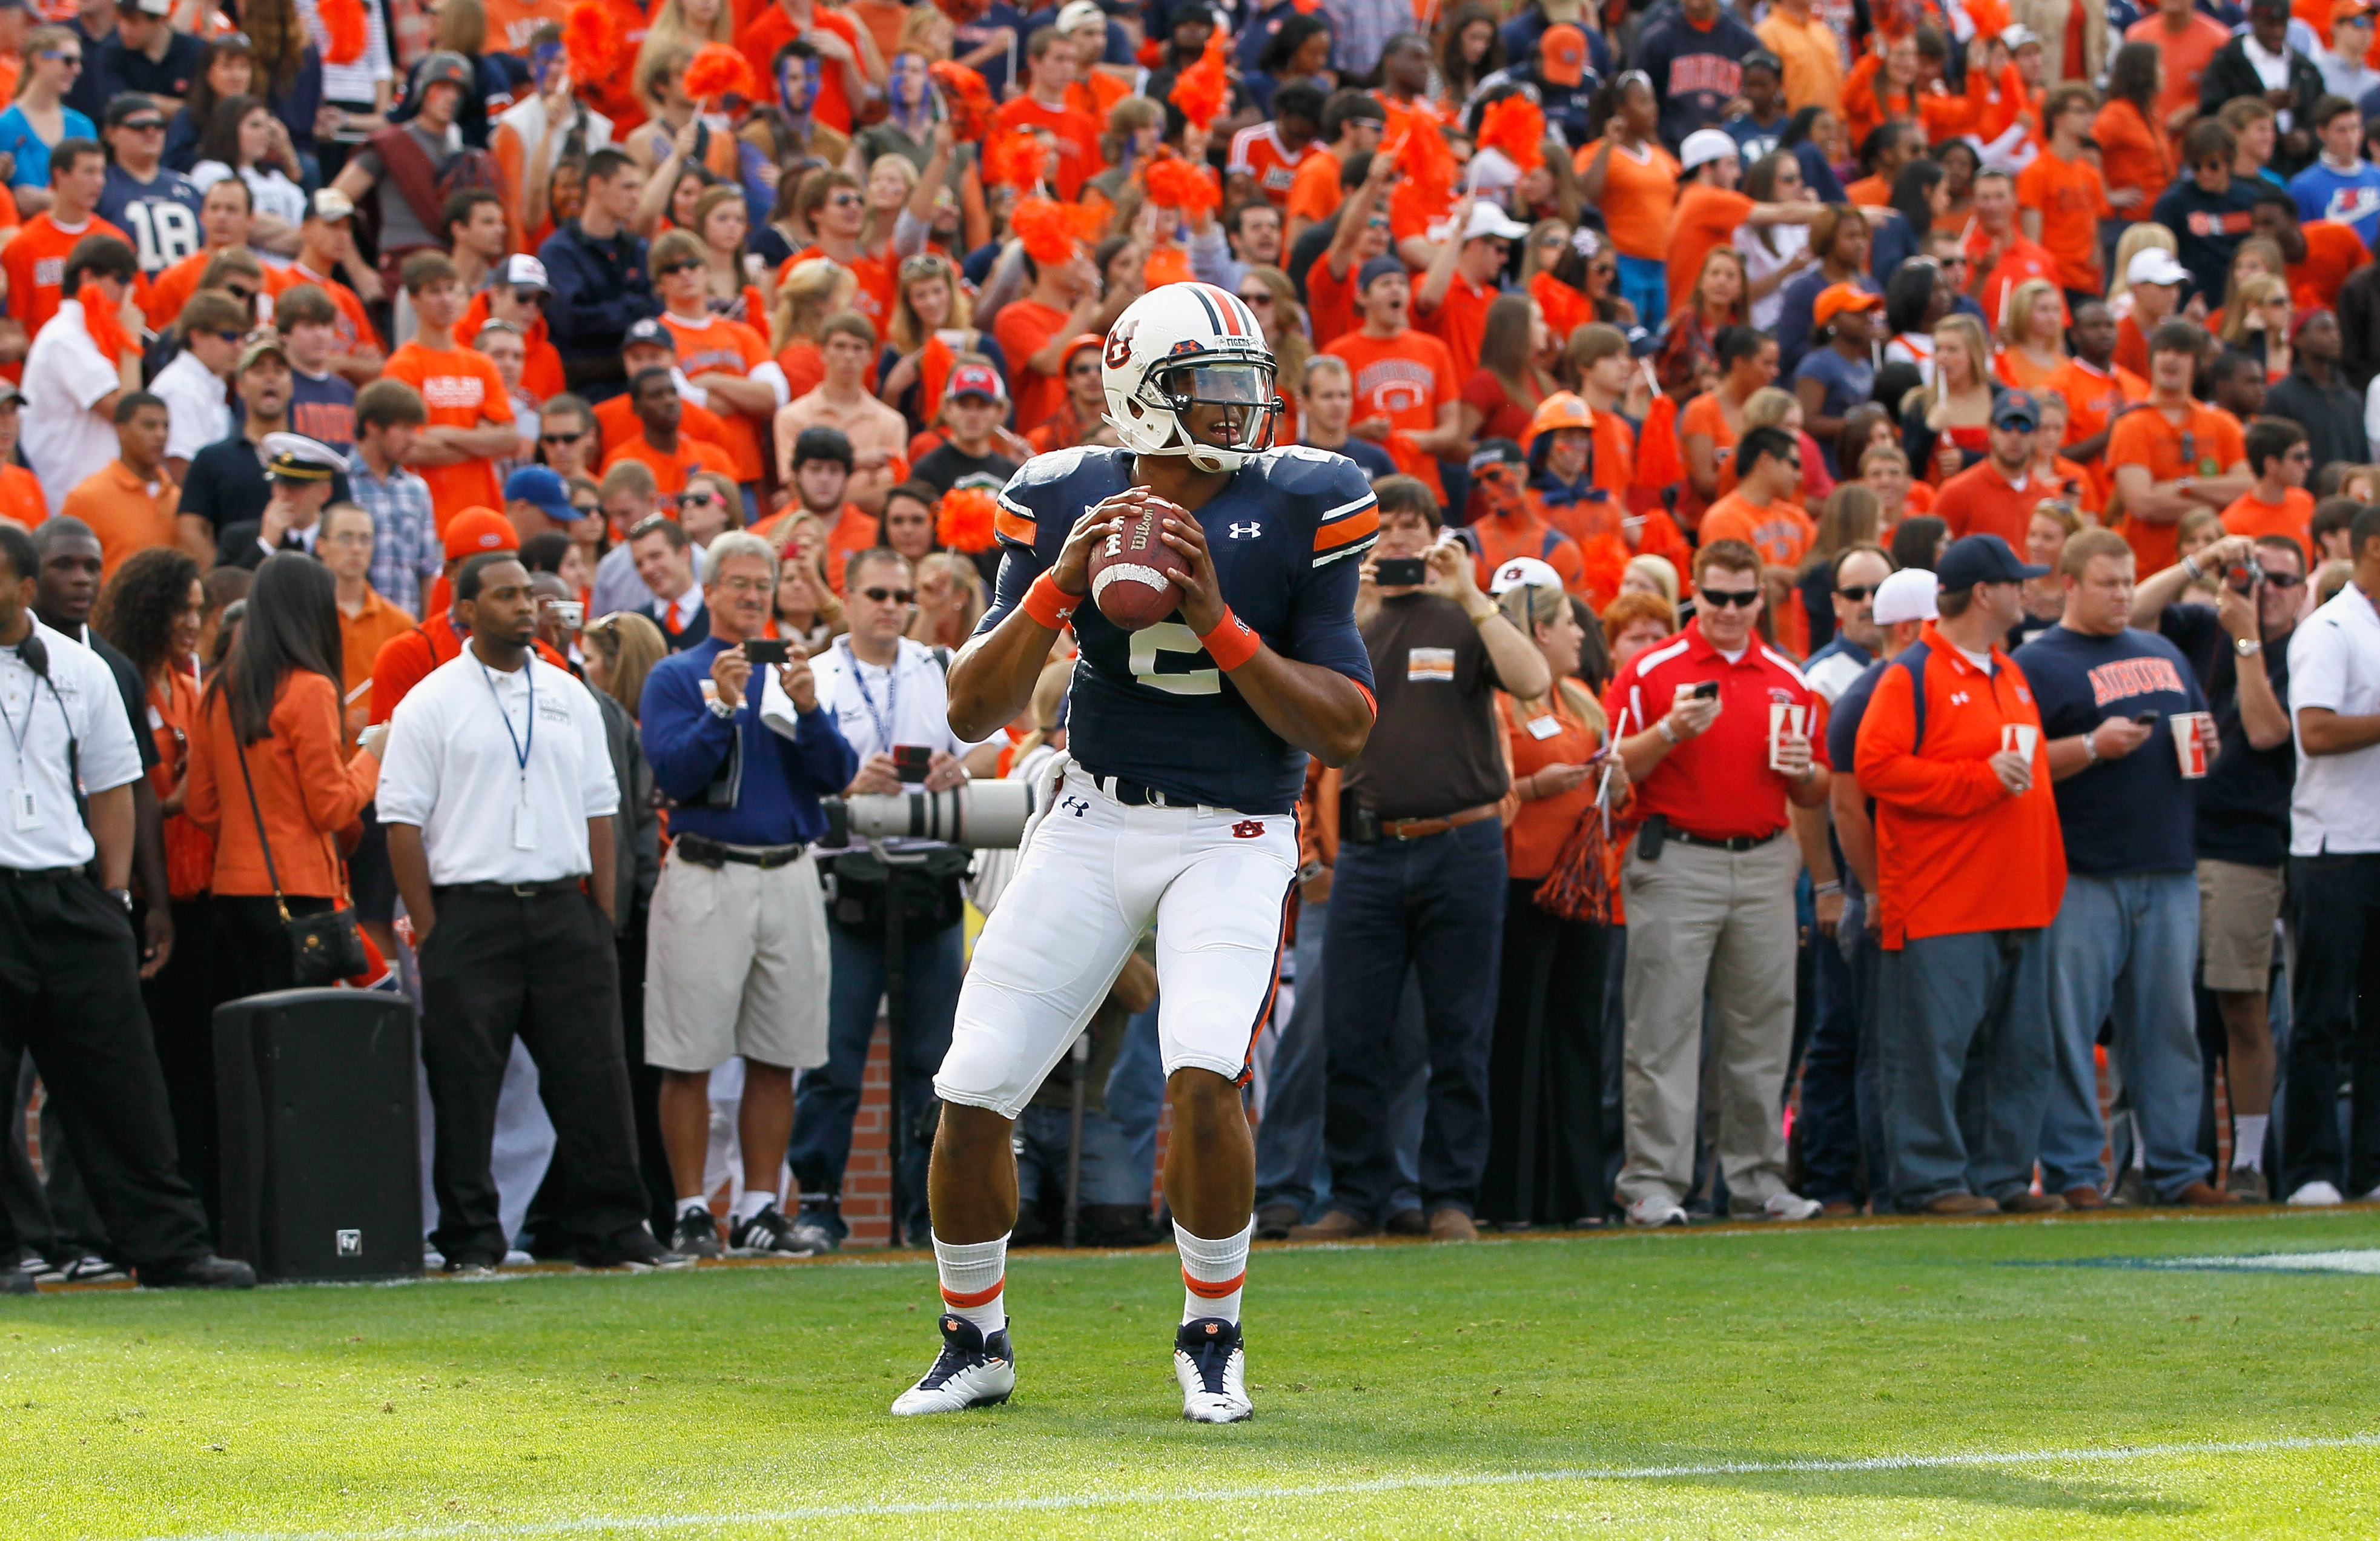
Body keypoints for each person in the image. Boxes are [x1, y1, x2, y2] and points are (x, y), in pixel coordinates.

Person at [890, 284, 1379, 1423]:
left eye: (1249, 383)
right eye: (1213, 387)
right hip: (1093, 816)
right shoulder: (1063, 493)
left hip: (1237, 828)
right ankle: (975, 1339)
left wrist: (1219, 618)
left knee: (1205, 1074)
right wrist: (1059, 586)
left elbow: (1345, 725)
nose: (1242, 409)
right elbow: (970, 709)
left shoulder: (1309, 498)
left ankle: (1212, 1332)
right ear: (1142, 392)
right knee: (970, 1090)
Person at [377, 549, 684, 1274]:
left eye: (528, 594)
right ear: (465, 611)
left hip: (563, 910)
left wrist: (599, 920)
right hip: (468, 913)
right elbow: (400, 824)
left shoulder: (569, 696)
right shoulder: (431, 700)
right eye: (506, 595)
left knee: (595, 1078)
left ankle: (613, 1230)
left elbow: (601, 812)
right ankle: (470, 1240)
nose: (524, 606)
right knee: (466, 1084)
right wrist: (431, 928)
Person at [0, 522, 258, 1290]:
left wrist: (113, 894)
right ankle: (10, 1251)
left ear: (21, 588)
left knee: (126, 1084)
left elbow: (118, 788)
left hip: (74, 895)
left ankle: (171, 1248)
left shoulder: (85, 670)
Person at [1293, 478, 1547, 1247]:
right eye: (1389, 529)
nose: (1401, 542)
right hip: (1370, 849)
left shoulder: (1464, 613)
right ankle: (1358, 1195)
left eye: (1415, 528)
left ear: (1440, 537)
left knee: (1459, 1032)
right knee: (1353, 1032)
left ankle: (1450, 1198)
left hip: (1461, 843)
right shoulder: (1348, 616)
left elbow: (1535, 682)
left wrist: (1472, 595)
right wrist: (1356, 605)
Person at [636, 528, 853, 1258]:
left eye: (763, 585)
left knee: (778, 1049)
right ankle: (693, 1205)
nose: (753, 596)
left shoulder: (796, 671)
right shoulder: (676, 674)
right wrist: (722, 709)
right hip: (706, 869)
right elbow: (674, 774)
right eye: (738, 584)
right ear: (708, 590)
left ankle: (761, 1204)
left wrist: (812, 709)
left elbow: (836, 774)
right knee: (689, 1050)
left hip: (788, 870)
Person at [1602, 537, 1830, 1227]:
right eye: (1717, 597)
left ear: (1761, 598)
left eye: (1742, 597)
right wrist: (1670, 731)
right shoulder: (1651, 670)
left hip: (1764, 858)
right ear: (1694, 596)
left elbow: (1819, 786)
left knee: (1763, 1030)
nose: (1730, 610)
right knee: (1662, 1029)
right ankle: (1653, 1183)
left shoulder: (1790, 677)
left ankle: (1758, 1178)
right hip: (1676, 859)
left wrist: (1802, 770)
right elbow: (1613, 776)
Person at [2013, 527, 2237, 1209]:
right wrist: (2091, 745)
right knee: (2070, 1030)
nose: (2121, 595)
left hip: (2168, 865)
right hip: (2081, 871)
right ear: (2070, 585)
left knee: (2169, 1026)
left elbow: (2202, 736)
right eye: (2109, 583)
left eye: (2128, 581)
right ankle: (2076, 1172)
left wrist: (2204, 744)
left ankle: (2177, 1168)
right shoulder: (2038, 662)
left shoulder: (2163, 650)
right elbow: (2017, 763)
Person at [777, 546, 982, 1252]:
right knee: (833, 1057)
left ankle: (927, 1212)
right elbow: (795, 777)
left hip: (929, 882)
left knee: (934, 1060)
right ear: (849, 594)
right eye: (877, 594)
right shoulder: (820, 677)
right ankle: (821, 1205)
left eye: (901, 595)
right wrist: (846, 787)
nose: (891, 607)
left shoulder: (939, 668)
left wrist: (964, 763)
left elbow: (994, 743)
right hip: (846, 884)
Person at [1853, 534, 2065, 1215]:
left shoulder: (2011, 672)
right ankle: (1932, 1180)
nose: (2026, 593)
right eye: (2016, 582)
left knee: (2022, 1052)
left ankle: (2000, 1179)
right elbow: (1876, 769)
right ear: (1984, 593)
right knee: (1931, 1054)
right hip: (1945, 897)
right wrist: (1976, 782)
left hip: (2020, 894)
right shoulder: (1910, 675)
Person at [2130, 532, 2301, 1200]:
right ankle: (2156, 1161)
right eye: (2258, 576)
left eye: (2284, 581)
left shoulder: (2300, 646)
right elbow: (2135, 614)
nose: (2268, 591)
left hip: (2246, 846)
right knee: (2159, 1006)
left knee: (2241, 1004)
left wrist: (2248, 640)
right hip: (2174, 838)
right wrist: (2200, 565)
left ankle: (2251, 1162)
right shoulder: (2205, 622)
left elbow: (2265, 731)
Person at [1483, 569, 1624, 1229]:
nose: (1580, 635)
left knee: (1576, 1040)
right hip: (1519, 884)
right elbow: (1493, 796)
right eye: (1571, 623)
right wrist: (1540, 788)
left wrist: (1613, 780)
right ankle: (1511, 1196)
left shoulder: (1584, 700)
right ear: (1540, 630)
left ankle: (1578, 1197)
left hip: (1584, 889)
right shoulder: (1500, 702)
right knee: (1518, 1040)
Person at [180, 551, 382, 998]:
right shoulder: (311, 688)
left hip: (234, 890)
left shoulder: (219, 688)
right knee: (298, 1041)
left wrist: (245, 837)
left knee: (255, 1029)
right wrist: (373, 756)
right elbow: (330, 807)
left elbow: (199, 803)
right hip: (299, 891)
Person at [2278, 505, 2380, 1205]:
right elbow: (2314, 731)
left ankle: (2370, 1167)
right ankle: (2311, 1168)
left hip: (2373, 840)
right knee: (2322, 1015)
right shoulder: (2332, 629)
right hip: (2332, 847)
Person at [380, 251, 520, 533]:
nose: (446, 299)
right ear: (414, 300)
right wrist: (480, 444)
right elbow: (410, 448)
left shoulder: (480, 364)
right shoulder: (402, 367)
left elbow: (509, 440)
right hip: (431, 519)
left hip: (485, 514)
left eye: (451, 289)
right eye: (434, 291)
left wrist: (446, 435)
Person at [2107, 320, 2253, 577]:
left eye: (2181, 352)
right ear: (2151, 360)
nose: (2170, 359)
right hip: (2149, 570)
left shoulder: (2222, 423)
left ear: (2196, 363)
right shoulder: (2131, 425)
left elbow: (2246, 486)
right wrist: (2215, 504)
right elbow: (2143, 504)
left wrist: (2184, 485)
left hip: (2213, 573)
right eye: (2163, 351)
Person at [1323, 257, 1466, 506]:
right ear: (1362, 296)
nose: (1396, 289)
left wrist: (1413, 440)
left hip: (1425, 486)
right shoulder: (1338, 354)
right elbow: (1319, 430)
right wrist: (1363, 431)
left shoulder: (1435, 350)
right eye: (1386, 283)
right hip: (1362, 485)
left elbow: (1452, 429)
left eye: (1402, 283)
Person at [537, 148, 657, 400]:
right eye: (627, 187)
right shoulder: (559, 252)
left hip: (639, 384)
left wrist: (607, 312)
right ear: (596, 185)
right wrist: (633, 306)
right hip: (582, 388)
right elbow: (571, 320)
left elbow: (656, 312)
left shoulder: (638, 249)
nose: (636, 197)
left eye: (638, 189)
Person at [774, 312, 906, 514]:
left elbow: (890, 494)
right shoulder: (792, 417)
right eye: (840, 346)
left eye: (858, 348)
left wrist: (819, 493)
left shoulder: (892, 422)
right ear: (822, 352)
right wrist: (858, 463)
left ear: (871, 356)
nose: (849, 356)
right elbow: (796, 488)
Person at [58, 391, 182, 577]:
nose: (161, 435)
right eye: (149, 426)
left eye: (165, 426)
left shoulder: (179, 499)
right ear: (121, 431)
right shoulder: (88, 498)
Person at [348, 379, 437, 620]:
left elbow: (428, 570)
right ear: (373, 426)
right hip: (352, 624)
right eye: (405, 428)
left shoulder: (417, 490)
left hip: (405, 627)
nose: (414, 439)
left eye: (415, 429)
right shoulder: (342, 482)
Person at [96, 92, 201, 279]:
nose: (151, 132)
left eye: (159, 126)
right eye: (139, 126)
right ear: (111, 134)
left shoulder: (187, 186)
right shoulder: (100, 185)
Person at [149, 288, 245, 484]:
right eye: (229, 336)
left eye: (242, 337)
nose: (239, 346)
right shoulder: (180, 388)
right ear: (197, 336)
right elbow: (182, 471)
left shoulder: (209, 383)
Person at [1934, 391, 2052, 546]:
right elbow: (1934, 552)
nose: (2015, 436)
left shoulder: (2047, 499)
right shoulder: (1957, 492)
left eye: (2025, 427)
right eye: (2006, 426)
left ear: (2036, 434)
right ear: (1990, 430)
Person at [213, 433, 343, 571]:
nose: (284, 495)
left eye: (296, 487)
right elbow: (225, 588)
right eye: (279, 485)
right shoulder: (239, 538)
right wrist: (266, 546)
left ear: (325, 493)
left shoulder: (340, 540)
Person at [2267, 308, 2370, 471]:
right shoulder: (2280, 396)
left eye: (2337, 329)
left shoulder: (2351, 399)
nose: (2335, 336)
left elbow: (2364, 459)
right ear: (2299, 339)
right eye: (2325, 329)